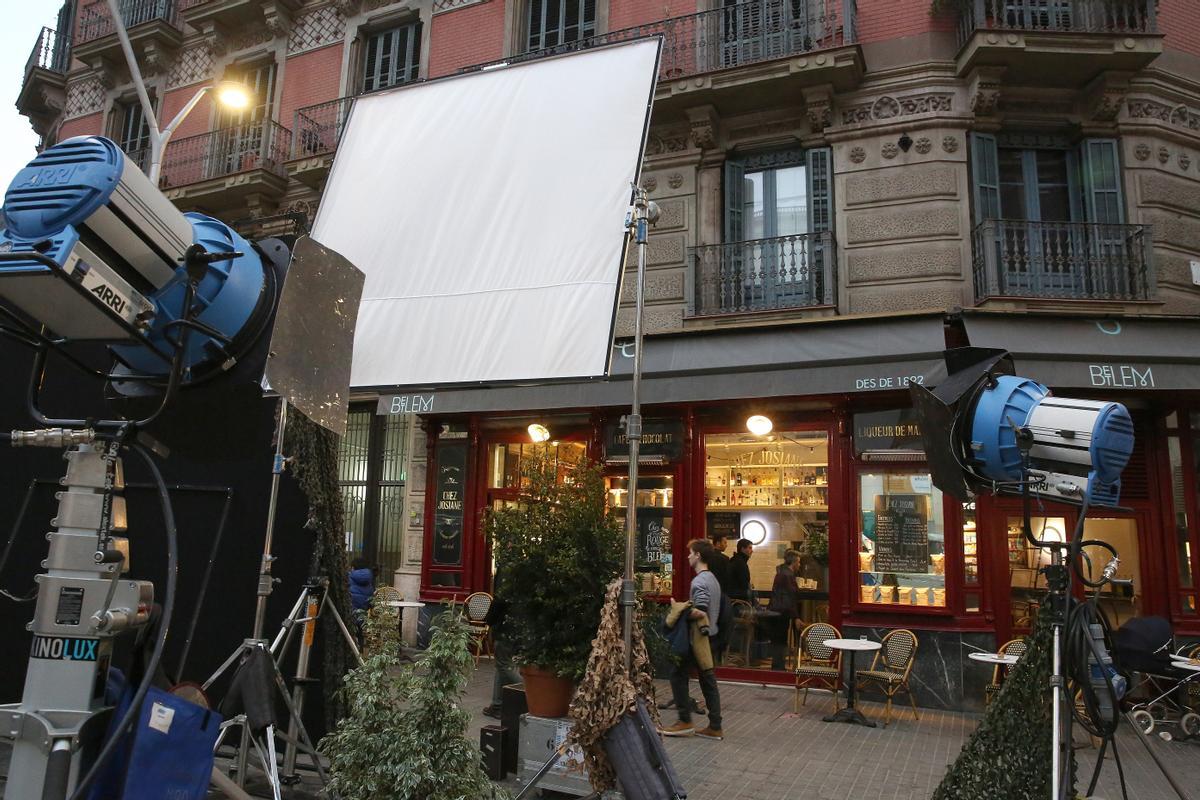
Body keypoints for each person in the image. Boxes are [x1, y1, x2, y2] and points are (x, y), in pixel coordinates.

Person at [660, 539, 723, 740]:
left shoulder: (700, 581)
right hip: (710, 635)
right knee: (707, 680)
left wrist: (679, 609)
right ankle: (715, 725)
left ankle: (684, 721)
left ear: (697, 556)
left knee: (677, 675)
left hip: (697, 639)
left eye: (690, 553)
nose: (688, 556)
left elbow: (700, 610)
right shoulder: (712, 578)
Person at [482, 571, 522, 719]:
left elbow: (500, 600)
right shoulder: (521, 564)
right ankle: (497, 705)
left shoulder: (508, 567)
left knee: (504, 665)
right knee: (501, 665)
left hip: (506, 626)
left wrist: (490, 619)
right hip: (518, 624)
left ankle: (531, 690)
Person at [768, 550, 802, 670]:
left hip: (776, 611)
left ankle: (777, 666)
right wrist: (796, 616)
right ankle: (778, 668)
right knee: (780, 641)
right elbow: (790, 597)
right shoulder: (788, 576)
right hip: (781, 613)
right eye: (798, 562)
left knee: (778, 640)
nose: (800, 565)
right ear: (793, 562)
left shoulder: (781, 572)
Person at [348, 557, 374, 645]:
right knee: (360, 633)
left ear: (353, 567)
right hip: (363, 613)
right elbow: (371, 598)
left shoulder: (349, 577)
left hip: (350, 612)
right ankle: (361, 652)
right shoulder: (369, 580)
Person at [727, 538, 753, 603]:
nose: (752, 551)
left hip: (733, 597)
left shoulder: (734, 560)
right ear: (742, 549)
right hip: (739, 599)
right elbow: (743, 583)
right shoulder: (740, 563)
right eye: (749, 548)